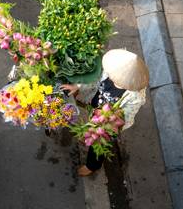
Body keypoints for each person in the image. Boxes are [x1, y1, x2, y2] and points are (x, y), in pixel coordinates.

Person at [61, 49, 149, 177]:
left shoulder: (135, 97)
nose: (110, 75)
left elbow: (127, 117)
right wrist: (78, 87)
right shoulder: (109, 71)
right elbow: (94, 82)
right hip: (95, 105)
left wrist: (103, 127)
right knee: (87, 128)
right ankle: (87, 135)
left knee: (97, 145)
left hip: (107, 123)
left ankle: (92, 165)